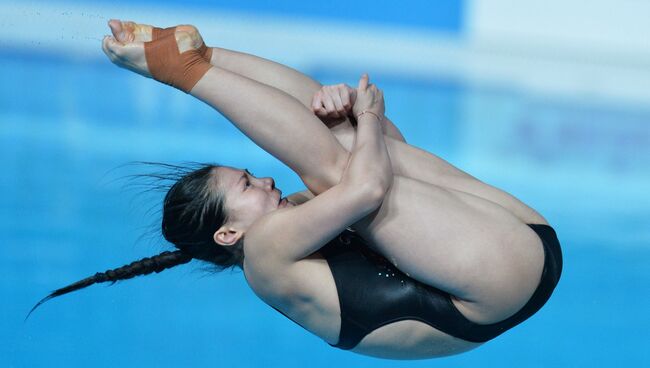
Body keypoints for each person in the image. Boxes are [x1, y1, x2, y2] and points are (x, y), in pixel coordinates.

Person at [29, 20, 562, 359]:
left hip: (516, 250)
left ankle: (205, 55)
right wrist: (370, 117)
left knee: (340, 138)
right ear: (228, 232)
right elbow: (368, 187)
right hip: (497, 284)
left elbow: (384, 161)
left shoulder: (289, 223)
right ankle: (182, 69)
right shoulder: (266, 254)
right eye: (247, 185)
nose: (265, 179)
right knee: (339, 164)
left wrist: (349, 114)